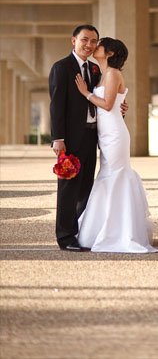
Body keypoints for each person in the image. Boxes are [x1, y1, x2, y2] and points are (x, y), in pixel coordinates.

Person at [74, 37, 158, 253]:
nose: (95, 47)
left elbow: (108, 104)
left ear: (109, 53)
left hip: (115, 134)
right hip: (106, 133)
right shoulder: (102, 74)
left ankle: (119, 231)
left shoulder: (113, 73)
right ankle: (107, 227)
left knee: (115, 176)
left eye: (99, 45)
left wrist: (86, 93)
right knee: (108, 175)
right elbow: (115, 103)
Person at [49, 24, 126, 251]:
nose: (89, 45)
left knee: (86, 187)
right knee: (68, 187)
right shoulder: (61, 68)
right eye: (85, 40)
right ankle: (65, 237)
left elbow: (104, 99)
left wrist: (120, 106)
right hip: (70, 138)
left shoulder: (95, 70)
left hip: (93, 137)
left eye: (94, 41)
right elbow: (56, 105)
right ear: (74, 40)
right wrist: (58, 138)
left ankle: (81, 233)